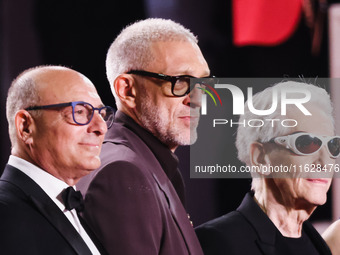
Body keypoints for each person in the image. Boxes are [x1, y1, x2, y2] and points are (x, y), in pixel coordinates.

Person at [77, 18, 210, 255]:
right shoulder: (120, 172)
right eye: (180, 82)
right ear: (127, 90)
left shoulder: (147, 163)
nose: (198, 99)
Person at [195, 81, 335, 255]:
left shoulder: (319, 246)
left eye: (333, 146)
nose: (325, 161)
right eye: (306, 143)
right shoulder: (217, 241)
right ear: (260, 158)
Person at [1, 65, 114, 254]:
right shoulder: (4, 216)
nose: (101, 128)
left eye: (101, 114)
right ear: (26, 127)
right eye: (79, 112)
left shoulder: (73, 207)